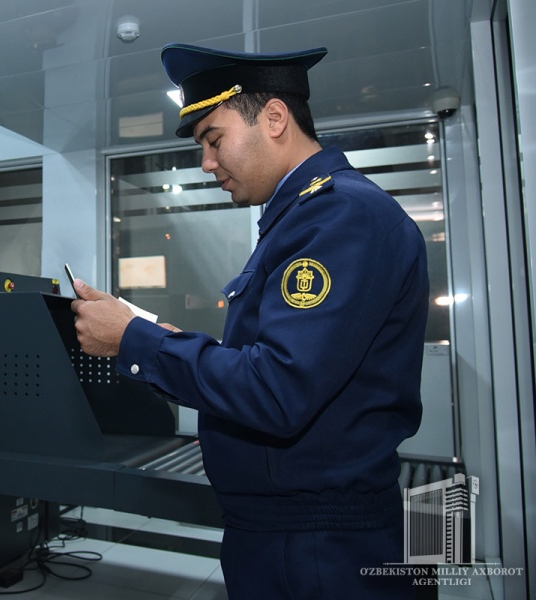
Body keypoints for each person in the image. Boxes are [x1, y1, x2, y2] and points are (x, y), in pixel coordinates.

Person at [71, 44, 428, 599]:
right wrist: (162, 338)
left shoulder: (340, 216)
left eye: (214, 140)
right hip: (287, 529)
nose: (208, 163)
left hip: (321, 547)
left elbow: (278, 389)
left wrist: (132, 339)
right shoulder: (299, 218)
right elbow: (274, 360)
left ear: (276, 118)